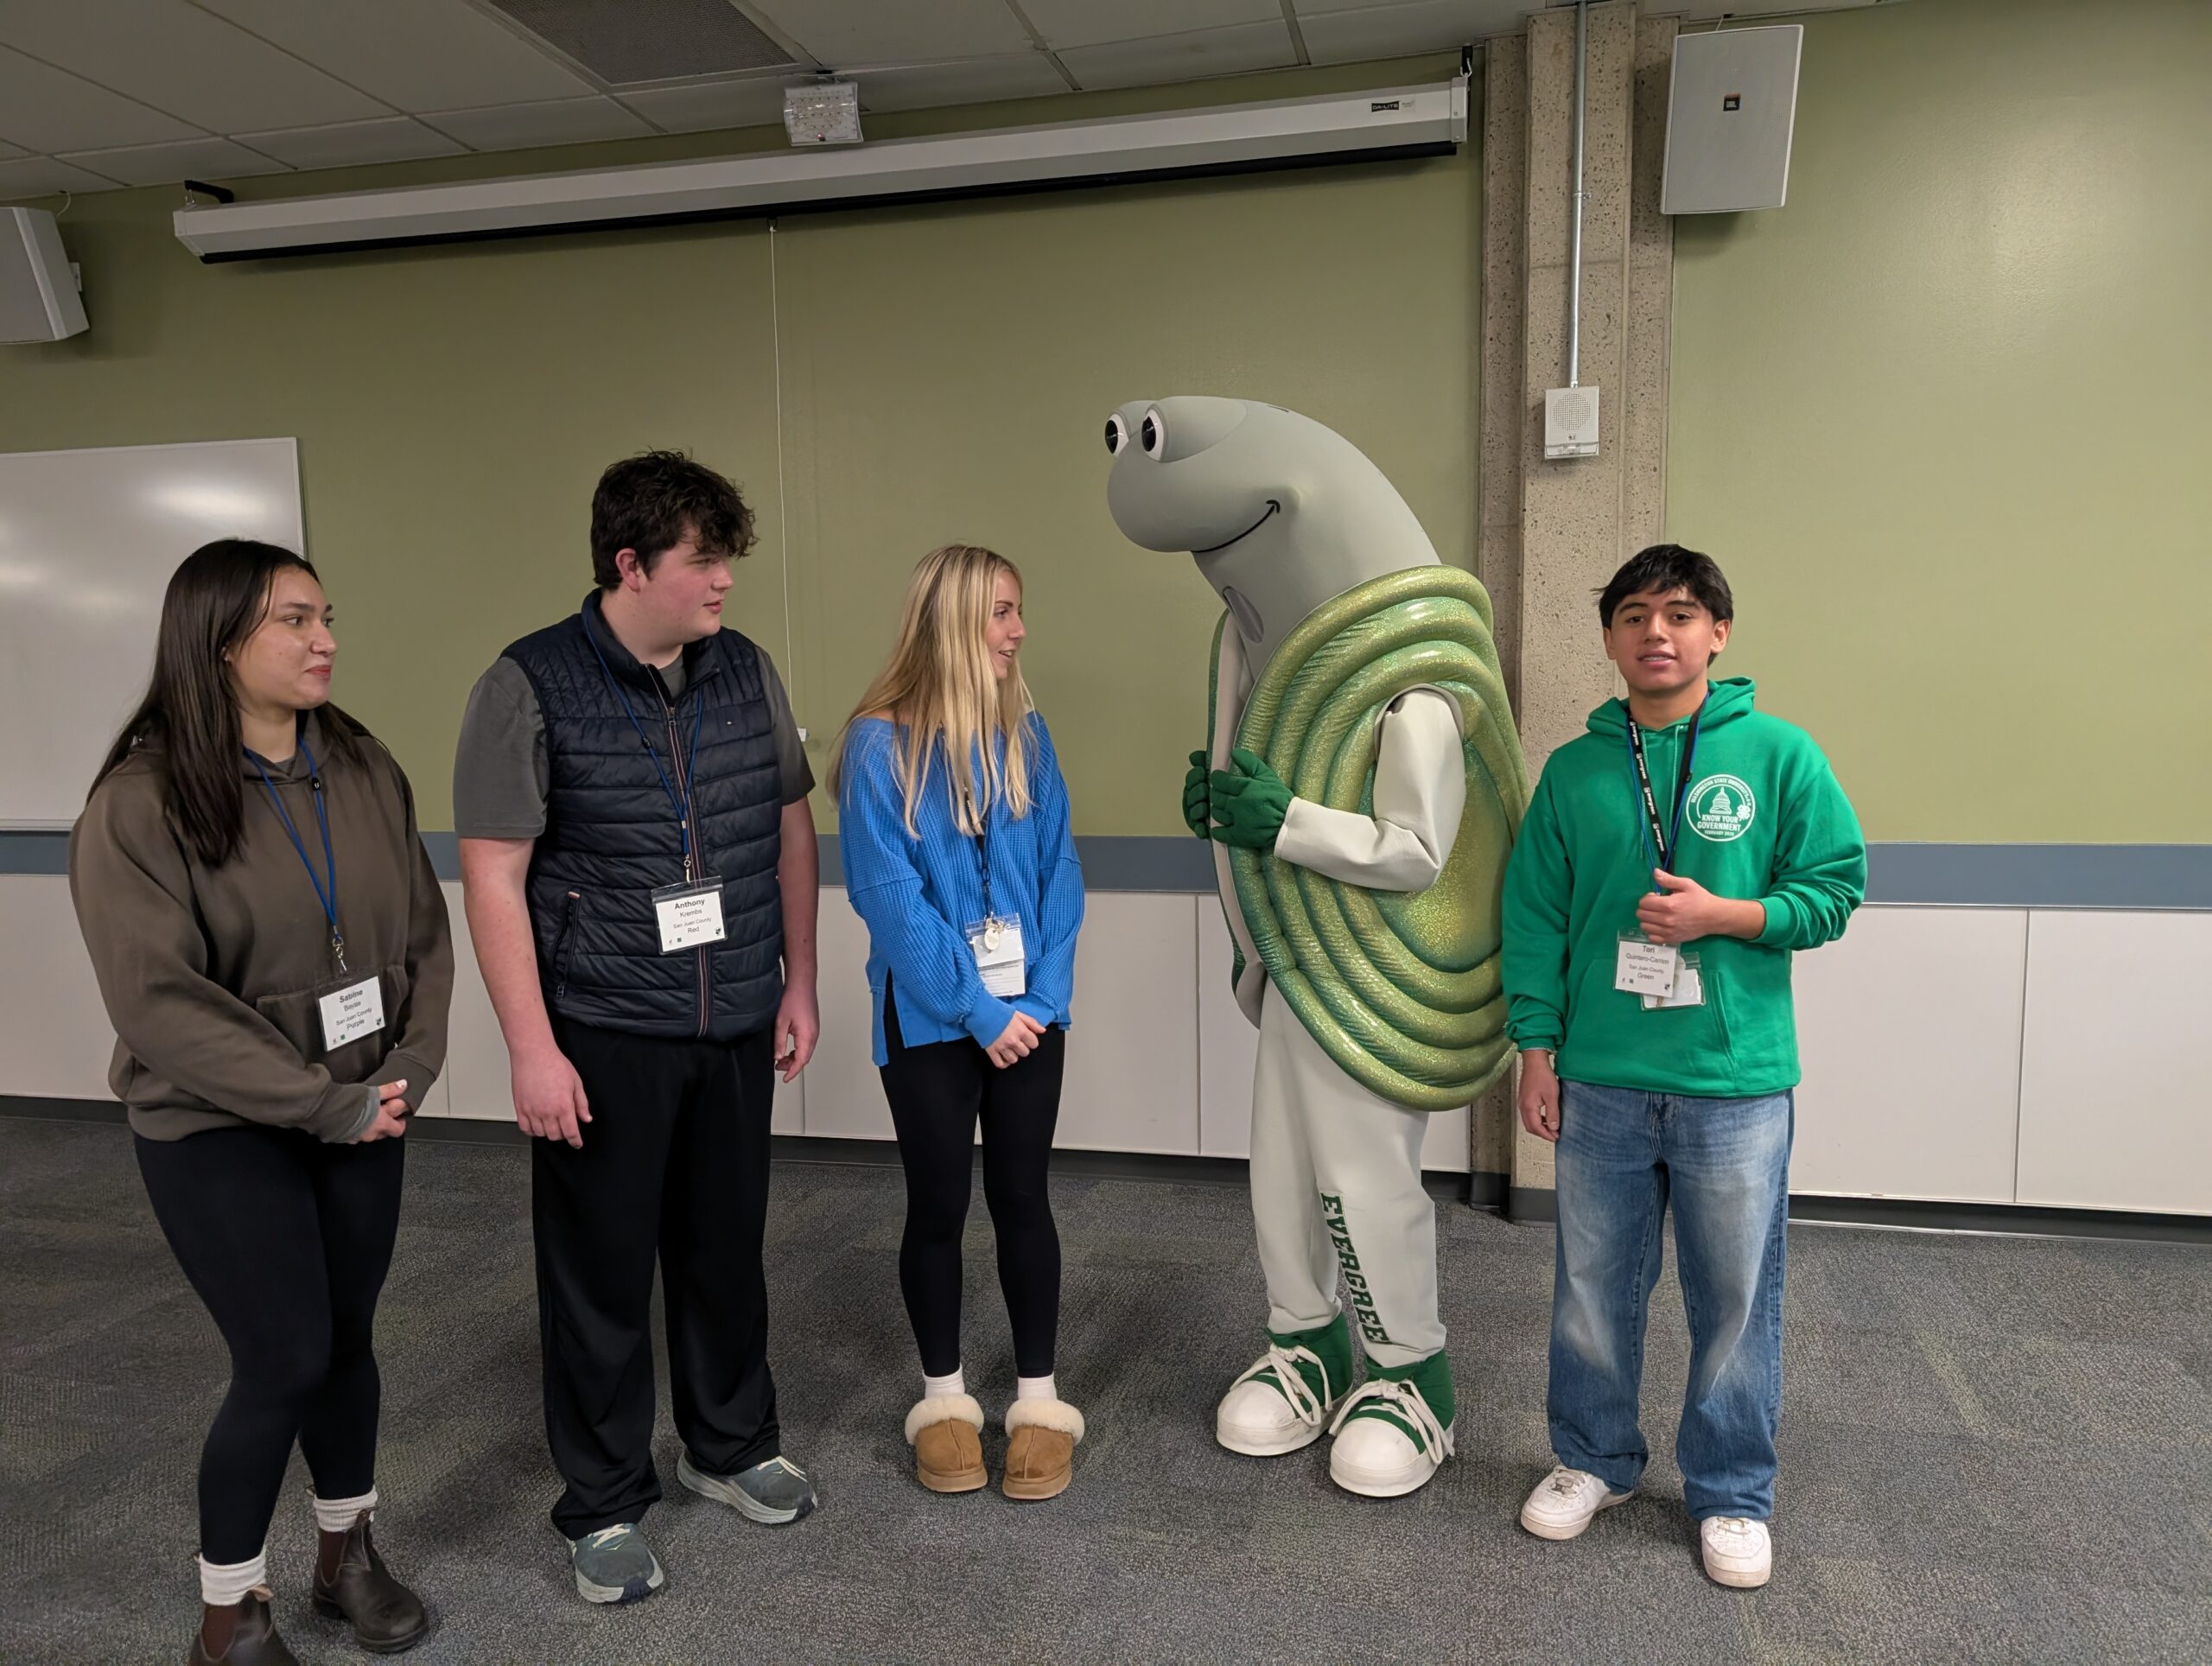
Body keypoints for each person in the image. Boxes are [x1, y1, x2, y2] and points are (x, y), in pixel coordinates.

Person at [70, 540, 452, 1665]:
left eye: (326, 615)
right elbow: (161, 1006)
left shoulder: (366, 767)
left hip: (361, 1107)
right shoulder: (141, 803)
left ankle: (347, 1558)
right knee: (281, 1355)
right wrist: (323, 1105)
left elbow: (423, 935)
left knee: (345, 1341)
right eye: (294, 620)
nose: (324, 638)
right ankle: (230, 1615)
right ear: (219, 641)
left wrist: (408, 1074)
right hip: (218, 1126)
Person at [454, 451, 821, 1605]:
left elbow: (791, 828)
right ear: (630, 564)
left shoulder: (743, 670)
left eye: (724, 560)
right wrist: (531, 1048)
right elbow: (494, 876)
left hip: (731, 1020)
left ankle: (728, 1445)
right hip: (604, 1028)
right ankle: (605, 1501)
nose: (721, 583)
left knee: (725, 1250)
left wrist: (797, 980)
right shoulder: (528, 685)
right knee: (600, 1275)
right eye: (701, 561)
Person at [1502, 543, 1865, 1589]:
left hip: (1733, 1082)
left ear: (1717, 632)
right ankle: (1591, 1458)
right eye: (1632, 615)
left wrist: (1730, 915)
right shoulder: (1573, 770)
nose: (1655, 632)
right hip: (1603, 1074)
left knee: (1736, 1295)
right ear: (1609, 638)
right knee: (1590, 1285)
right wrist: (1537, 1050)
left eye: (1679, 612)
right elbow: (1534, 917)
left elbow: (1835, 887)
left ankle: (1731, 1490)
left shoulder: (1779, 754)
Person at [831, 544, 1087, 1501]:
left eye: (1019, 611)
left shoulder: (1027, 734)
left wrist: (1037, 1002)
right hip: (934, 1022)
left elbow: (1060, 869)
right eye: (1002, 612)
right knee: (937, 1205)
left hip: (1028, 1015)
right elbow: (889, 900)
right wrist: (980, 1009)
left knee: (1024, 1198)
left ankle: (1037, 1401)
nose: (1019, 631)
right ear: (953, 621)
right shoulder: (874, 747)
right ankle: (943, 1401)